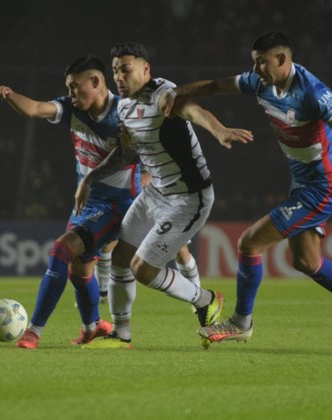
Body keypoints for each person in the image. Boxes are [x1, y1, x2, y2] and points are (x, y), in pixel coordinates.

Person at [170, 31, 332, 346]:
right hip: (302, 183)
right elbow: (216, 86)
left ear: (282, 59)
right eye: (254, 62)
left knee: (249, 244)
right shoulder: (259, 82)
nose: (256, 69)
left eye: (262, 62)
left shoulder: (313, 92)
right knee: (306, 261)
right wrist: (176, 92)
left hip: (324, 187)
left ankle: (241, 322)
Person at [77, 42, 253, 348]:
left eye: (126, 69)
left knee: (143, 269)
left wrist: (219, 130)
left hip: (188, 198)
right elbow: (127, 152)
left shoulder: (162, 94)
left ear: (146, 69)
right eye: (115, 70)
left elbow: (193, 110)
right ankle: (121, 334)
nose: (119, 76)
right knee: (120, 258)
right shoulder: (124, 106)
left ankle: (206, 299)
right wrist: (92, 177)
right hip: (156, 192)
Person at [0, 55, 135, 349]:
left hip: (116, 205)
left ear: (96, 82)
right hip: (87, 204)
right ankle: (92, 327)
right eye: (68, 88)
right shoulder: (72, 108)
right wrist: (10, 94)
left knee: (62, 249)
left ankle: (33, 331)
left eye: (75, 87)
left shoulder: (125, 114)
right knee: (80, 272)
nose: (71, 93)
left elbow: (139, 154)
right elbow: (35, 108)